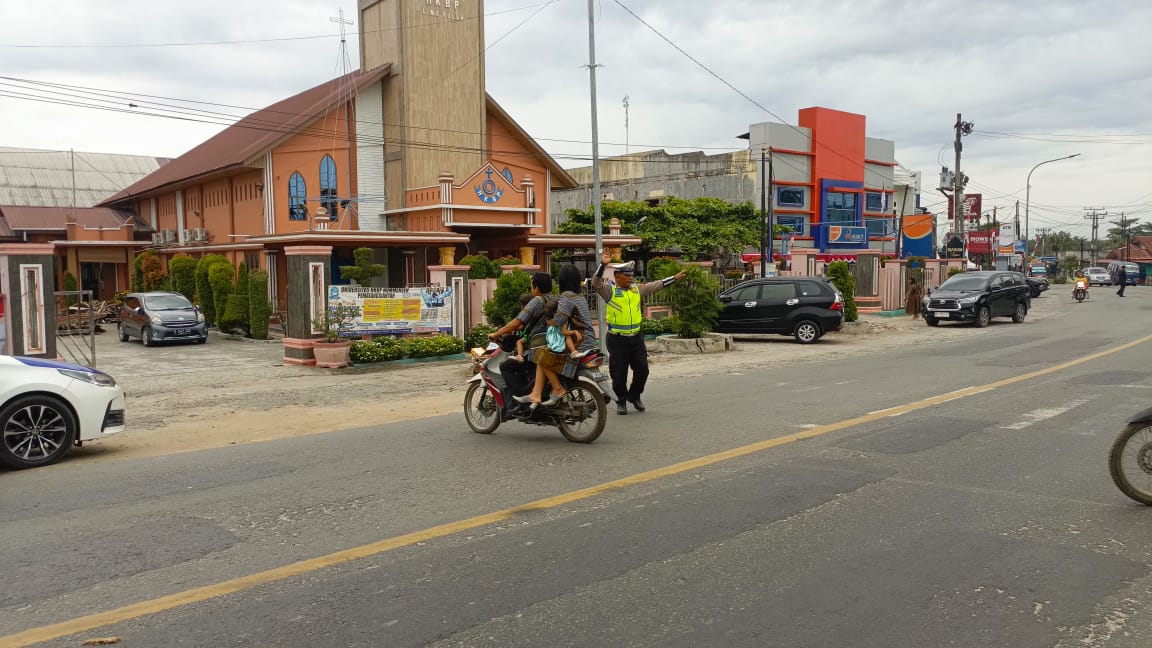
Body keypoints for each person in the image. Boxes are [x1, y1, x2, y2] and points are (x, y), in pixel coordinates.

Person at [591, 250, 685, 415]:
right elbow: (595, 284)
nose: (630, 278)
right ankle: (621, 400)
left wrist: (674, 279)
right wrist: (603, 265)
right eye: (627, 276)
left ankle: (634, 396)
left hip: (636, 339)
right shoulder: (610, 291)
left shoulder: (636, 290)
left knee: (643, 370)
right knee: (618, 374)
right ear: (617, 276)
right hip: (617, 340)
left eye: (631, 275)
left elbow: (655, 285)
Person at [517, 265, 597, 408]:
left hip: (578, 341)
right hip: (589, 339)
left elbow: (559, 321)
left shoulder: (566, 297)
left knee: (541, 356)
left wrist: (548, 321)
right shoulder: (580, 296)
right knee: (545, 354)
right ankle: (536, 394)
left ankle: (557, 390)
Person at [487, 273, 555, 407]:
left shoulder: (537, 301)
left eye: (532, 286)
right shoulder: (556, 299)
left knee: (506, 367)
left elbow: (516, 322)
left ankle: (521, 399)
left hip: (538, 349)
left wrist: (496, 334)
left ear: (536, 289)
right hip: (556, 346)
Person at [509, 293, 534, 362]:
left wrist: (512, 328)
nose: (521, 307)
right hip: (531, 335)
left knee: (518, 342)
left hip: (528, 336)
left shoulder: (525, 315)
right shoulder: (533, 313)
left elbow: (519, 327)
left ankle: (519, 356)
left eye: (522, 305)